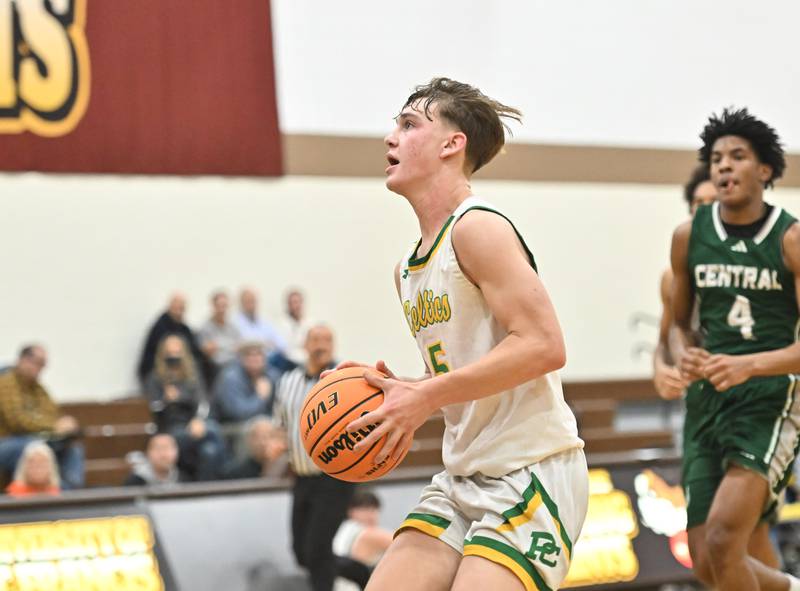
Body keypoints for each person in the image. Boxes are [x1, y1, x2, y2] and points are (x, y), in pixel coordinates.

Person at [330, 78, 587, 591]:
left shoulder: (477, 228)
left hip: (530, 472)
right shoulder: (407, 267)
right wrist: (396, 390)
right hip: (463, 476)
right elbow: (462, 371)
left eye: (409, 125)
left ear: (452, 144)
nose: (391, 138)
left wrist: (424, 395)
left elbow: (544, 345)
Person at [671, 107, 800, 590]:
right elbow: (679, 326)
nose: (724, 166)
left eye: (738, 156)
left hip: (769, 399)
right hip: (708, 398)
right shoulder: (688, 236)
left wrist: (747, 366)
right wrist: (683, 354)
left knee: (728, 541)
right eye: (717, 158)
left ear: (764, 169)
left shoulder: (790, 239)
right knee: (706, 561)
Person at [273, 324, 354, 591]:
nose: (321, 345)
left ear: (334, 345)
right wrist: (276, 445)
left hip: (334, 478)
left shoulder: (345, 379)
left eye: (327, 340)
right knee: (301, 552)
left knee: (318, 549)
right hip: (302, 477)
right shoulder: (287, 382)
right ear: (305, 345)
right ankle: (359, 571)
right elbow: (281, 426)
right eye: (315, 339)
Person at [653, 164, 718, 400]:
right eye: (699, 202)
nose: (705, 209)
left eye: (714, 201)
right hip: (699, 396)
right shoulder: (673, 276)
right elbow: (663, 341)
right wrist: (660, 369)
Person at [0, 345, 84, 489]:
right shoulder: (6, 383)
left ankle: (68, 494)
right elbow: (18, 421)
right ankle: (24, 495)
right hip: (7, 441)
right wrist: (54, 427)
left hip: (36, 437)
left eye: (43, 364)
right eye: (37, 362)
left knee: (72, 447)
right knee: (32, 448)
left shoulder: (37, 388)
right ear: (22, 360)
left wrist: (63, 426)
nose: (40, 368)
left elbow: (53, 411)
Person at [144, 335, 226, 481]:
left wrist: (198, 420)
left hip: (193, 424)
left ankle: (204, 493)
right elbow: (151, 409)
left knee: (210, 450)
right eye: (170, 353)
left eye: (177, 352)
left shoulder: (192, 376)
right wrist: (165, 400)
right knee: (213, 431)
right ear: (163, 354)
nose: (174, 357)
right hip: (170, 428)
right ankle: (227, 472)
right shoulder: (155, 377)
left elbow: (203, 403)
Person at [137, 292, 209, 386]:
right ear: (170, 307)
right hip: (157, 371)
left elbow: (193, 348)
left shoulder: (183, 327)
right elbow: (164, 354)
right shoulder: (161, 326)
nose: (179, 311)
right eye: (176, 307)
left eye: (182, 308)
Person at [333, 490, 393, 591]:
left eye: (374, 509)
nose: (371, 515)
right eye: (365, 509)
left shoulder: (339, 531)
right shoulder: (367, 534)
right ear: (351, 511)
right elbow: (407, 543)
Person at [212, 342, 274, 423]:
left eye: (259, 354)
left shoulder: (271, 375)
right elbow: (238, 414)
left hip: (262, 421)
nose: (255, 359)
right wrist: (260, 398)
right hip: (229, 426)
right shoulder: (230, 378)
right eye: (249, 355)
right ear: (241, 358)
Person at [221, 416, 287, 479]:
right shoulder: (234, 473)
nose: (263, 442)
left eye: (269, 436)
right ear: (248, 439)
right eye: (258, 437)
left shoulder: (285, 466)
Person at [198, 290, 242, 374]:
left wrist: (219, 346)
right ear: (213, 306)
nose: (222, 309)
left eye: (224, 306)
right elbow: (209, 352)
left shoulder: (233, 327)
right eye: (219, 306)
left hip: (236, 364)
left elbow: (240, 348)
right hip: (216, 368)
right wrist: (231, 347)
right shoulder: (205, 328)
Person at [235, 288, 285, 356]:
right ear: (241, 303)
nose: (251, 304)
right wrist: (264, 343)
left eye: (253, 301)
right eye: (247, 301)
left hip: (268, 359)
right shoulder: (234, 321)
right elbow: (243, 345)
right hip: (245, 361)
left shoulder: (266, 320)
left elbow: (281, 344)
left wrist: (267, 344)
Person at [275, 288, 313, 369]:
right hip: (288, 363)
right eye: (293, 303)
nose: (297, 305)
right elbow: (286, 351)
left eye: (298, 302)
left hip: (308, 361)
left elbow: (311, 345)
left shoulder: (310, 323)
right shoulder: (281, 325)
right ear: (288, 305)